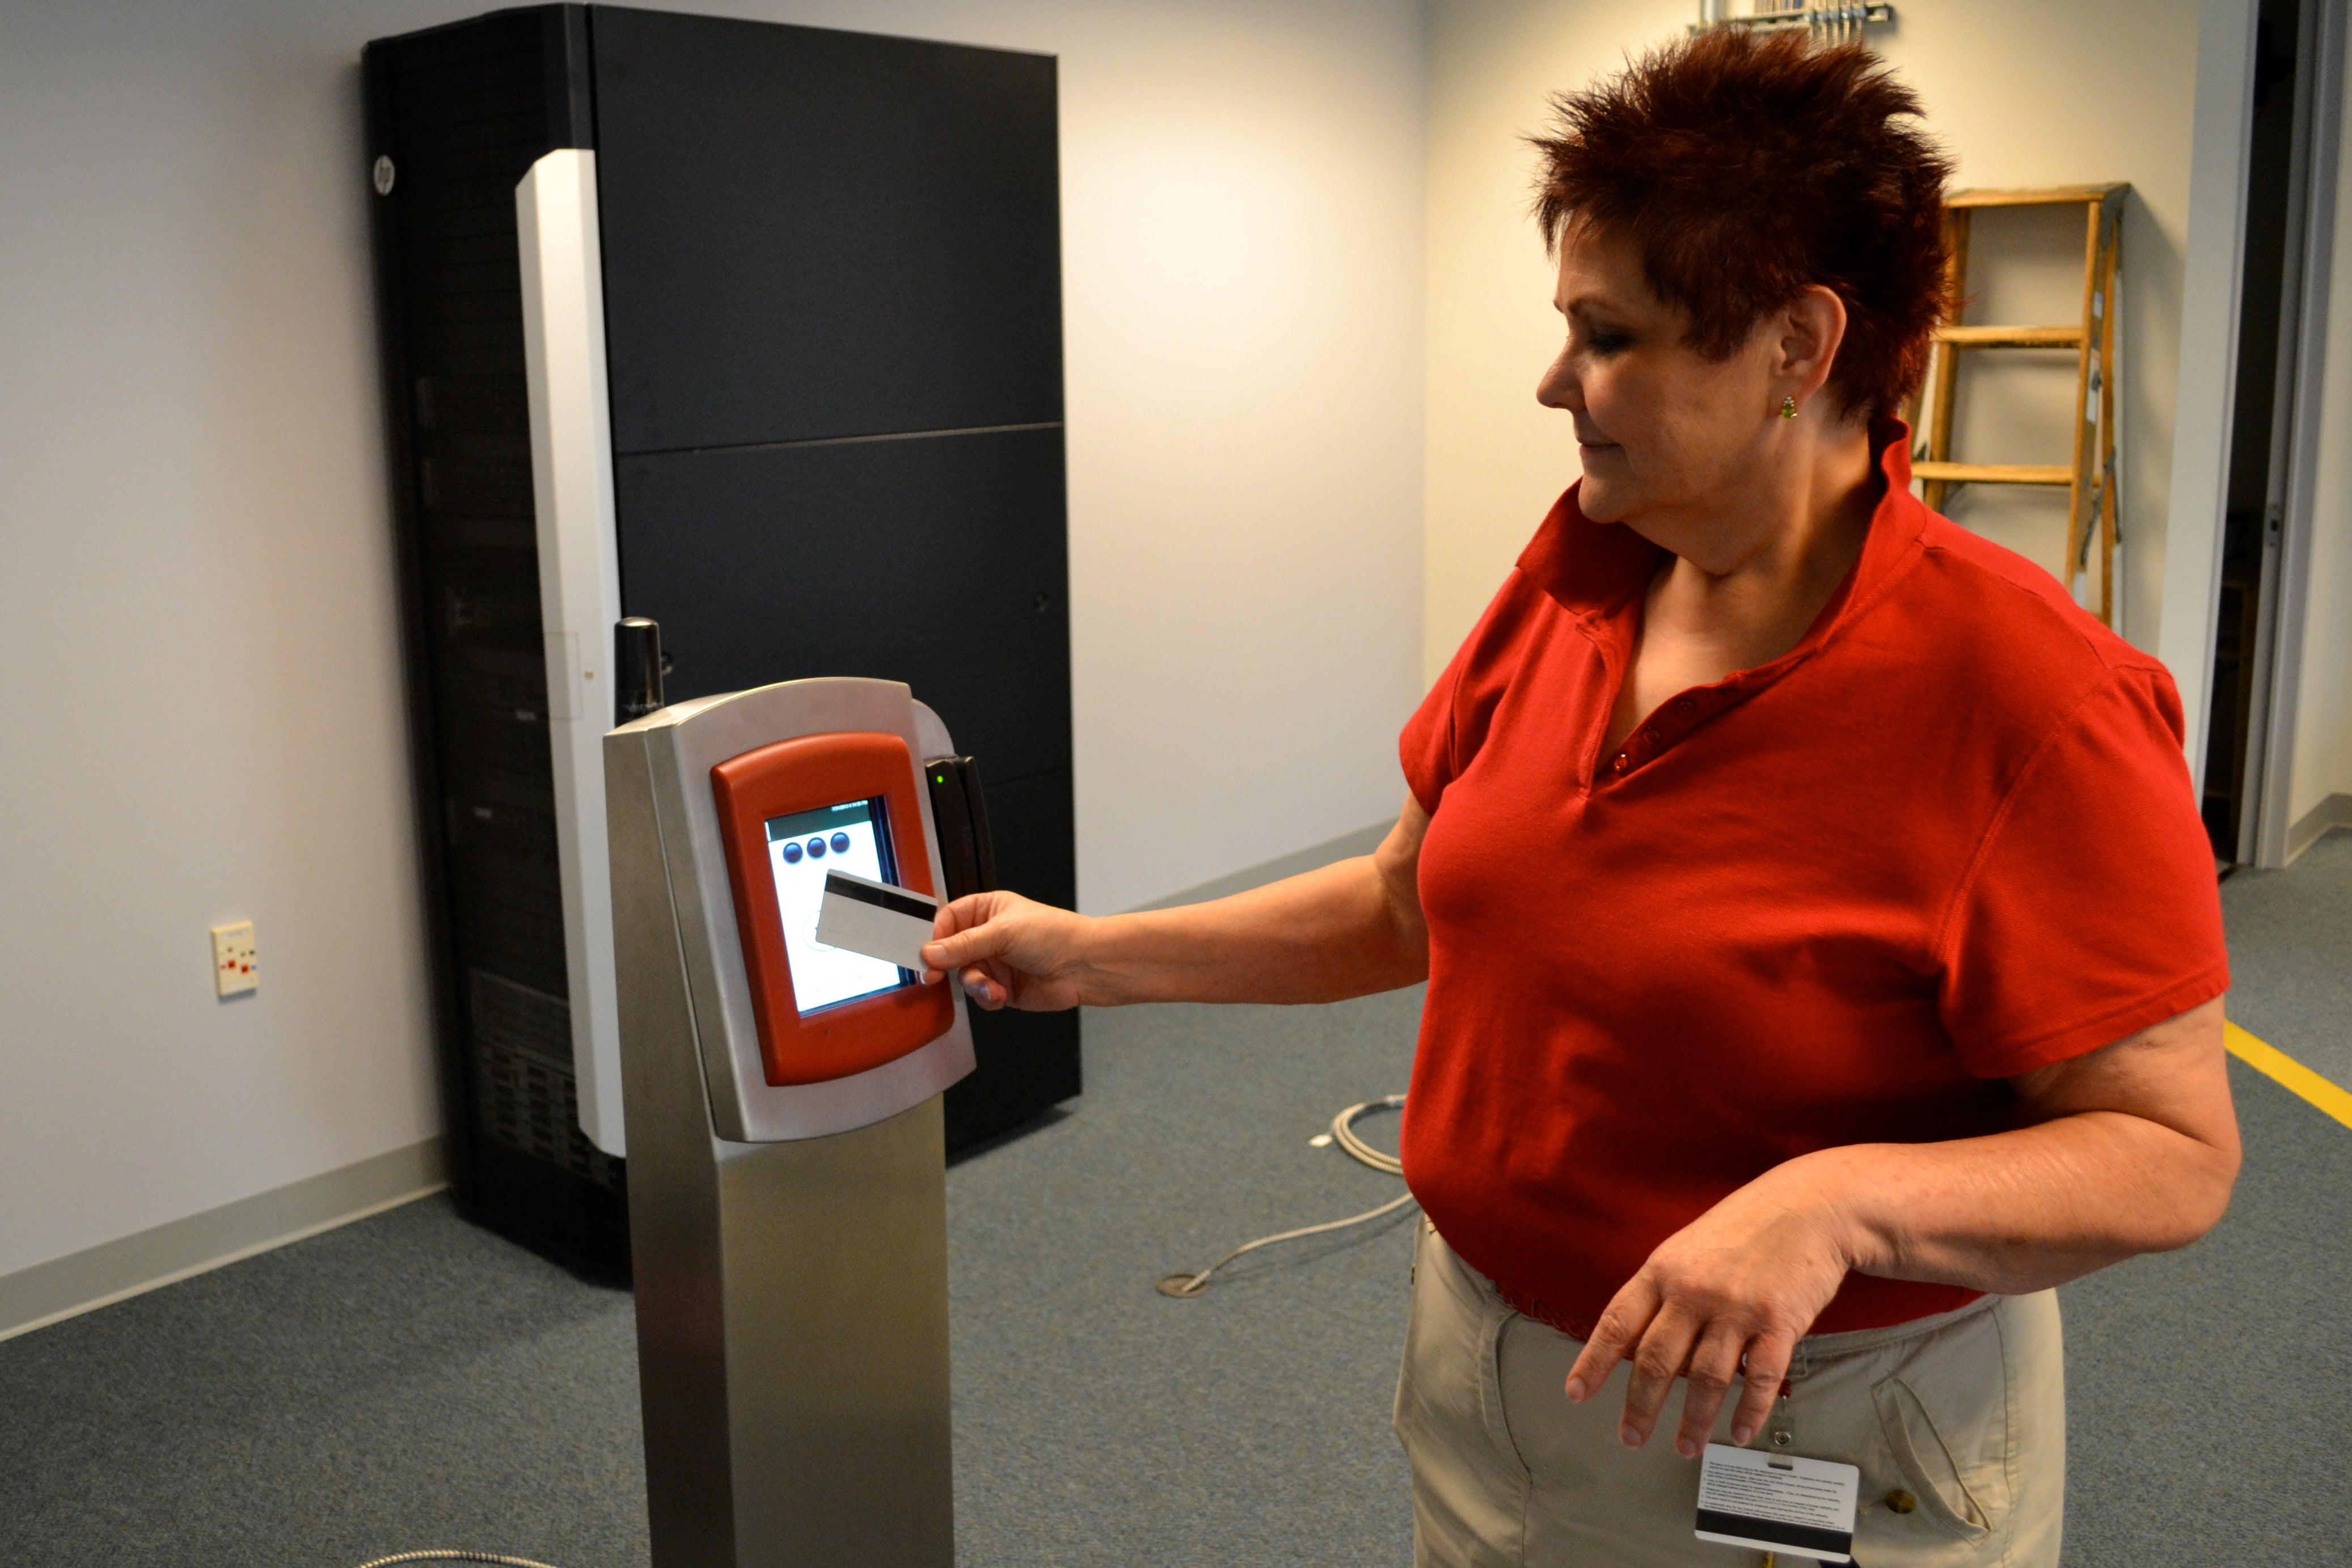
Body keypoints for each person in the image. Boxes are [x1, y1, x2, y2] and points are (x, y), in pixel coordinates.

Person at [919, 28, 2237, 1567]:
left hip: (1803, 1430)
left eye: (1608, 336)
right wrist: (1089, 955)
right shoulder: (1576, 581)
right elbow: (1401, 901)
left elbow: (2167, 1152)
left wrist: (1836, 1206)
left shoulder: (2033, 702)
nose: (1554, 380)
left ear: (1797, 350)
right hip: (1488, 1371)